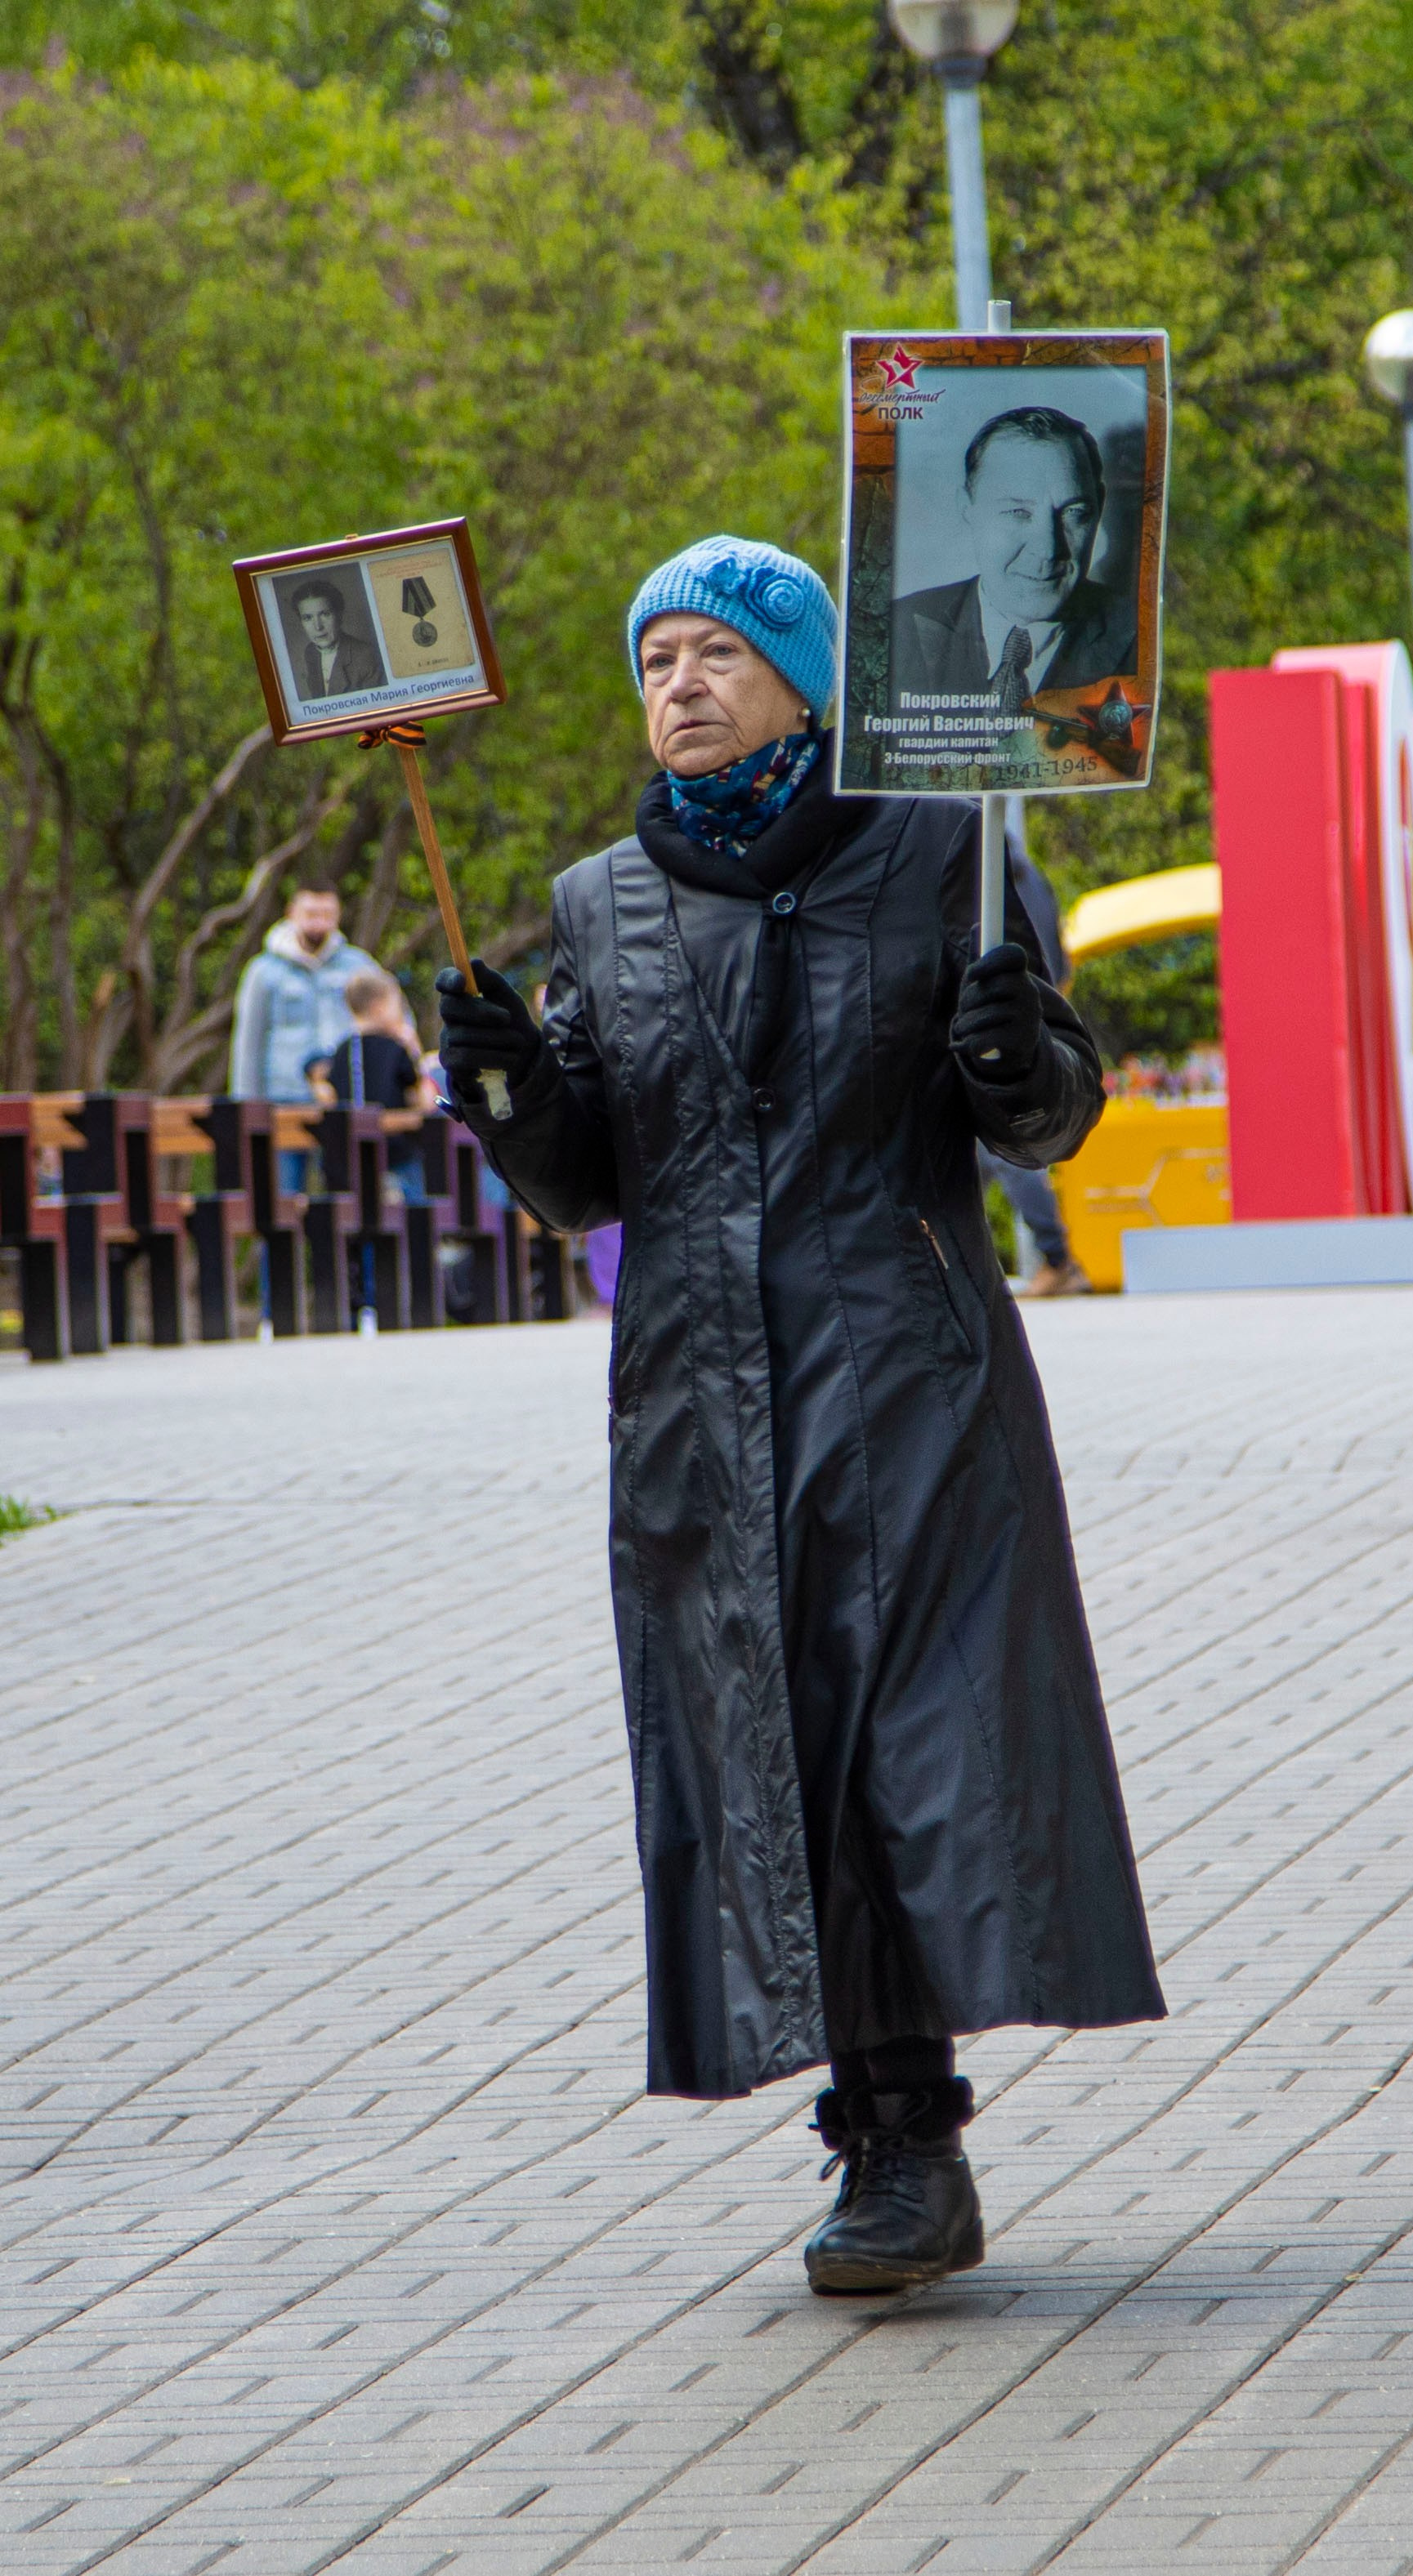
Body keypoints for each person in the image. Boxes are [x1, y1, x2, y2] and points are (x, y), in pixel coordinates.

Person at [438, 533, 1164, 2297]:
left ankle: (916, 2132)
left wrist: (1013, 1051)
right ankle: (879, 2140)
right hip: (696, 1390)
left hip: (907, 1372)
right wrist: (514, 1095)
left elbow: (1043, 1121)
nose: (677, 685)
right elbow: (587, 1183)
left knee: (906, 1741)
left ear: (808, 679)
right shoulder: (597, 899)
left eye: (713, 654)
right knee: (768, 1755)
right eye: (651, 660)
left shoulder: (946, 850)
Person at [892, 408, 1138, 717]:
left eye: (1074, 512)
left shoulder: (1139, 640)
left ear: (1100, 507)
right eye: (1018, 513)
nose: (1048, 550)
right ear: (968, 509)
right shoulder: (892, 629)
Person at [977, 809, 1091, 1295]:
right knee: (975, 1157)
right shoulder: (1034, 880)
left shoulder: (993, 882)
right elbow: (1062, 963)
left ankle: (1058, 1259)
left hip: (1007, 1022)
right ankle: (959, 1261)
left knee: (1001, 1148)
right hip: (1041, 1017)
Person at [230, 888, 382, 1194]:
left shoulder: (358, 966)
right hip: (284, 1101)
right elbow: (249, 1043)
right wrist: (246, 1108)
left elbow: (390, 1017)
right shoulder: (264, 971)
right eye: (311, 914)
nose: (319, 923)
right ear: (292, 913)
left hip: (343, 1100)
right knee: (281, 1200)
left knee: (352, 1200)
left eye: (327, 915)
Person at [307, 970, 436, 1205]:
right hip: (396, 1156)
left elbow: (331, 1097)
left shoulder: (341, 1051)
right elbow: (424, 1101)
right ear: (379, 1008)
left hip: (349, 1161)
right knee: (411, 1222)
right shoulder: (396, 1050)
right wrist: (415, 1050)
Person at [288, 575, 386, 701]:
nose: (318, 627)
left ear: (339, 615)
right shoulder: (311, 652)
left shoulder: (366, 656)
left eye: (325, 614)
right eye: (308, 618)